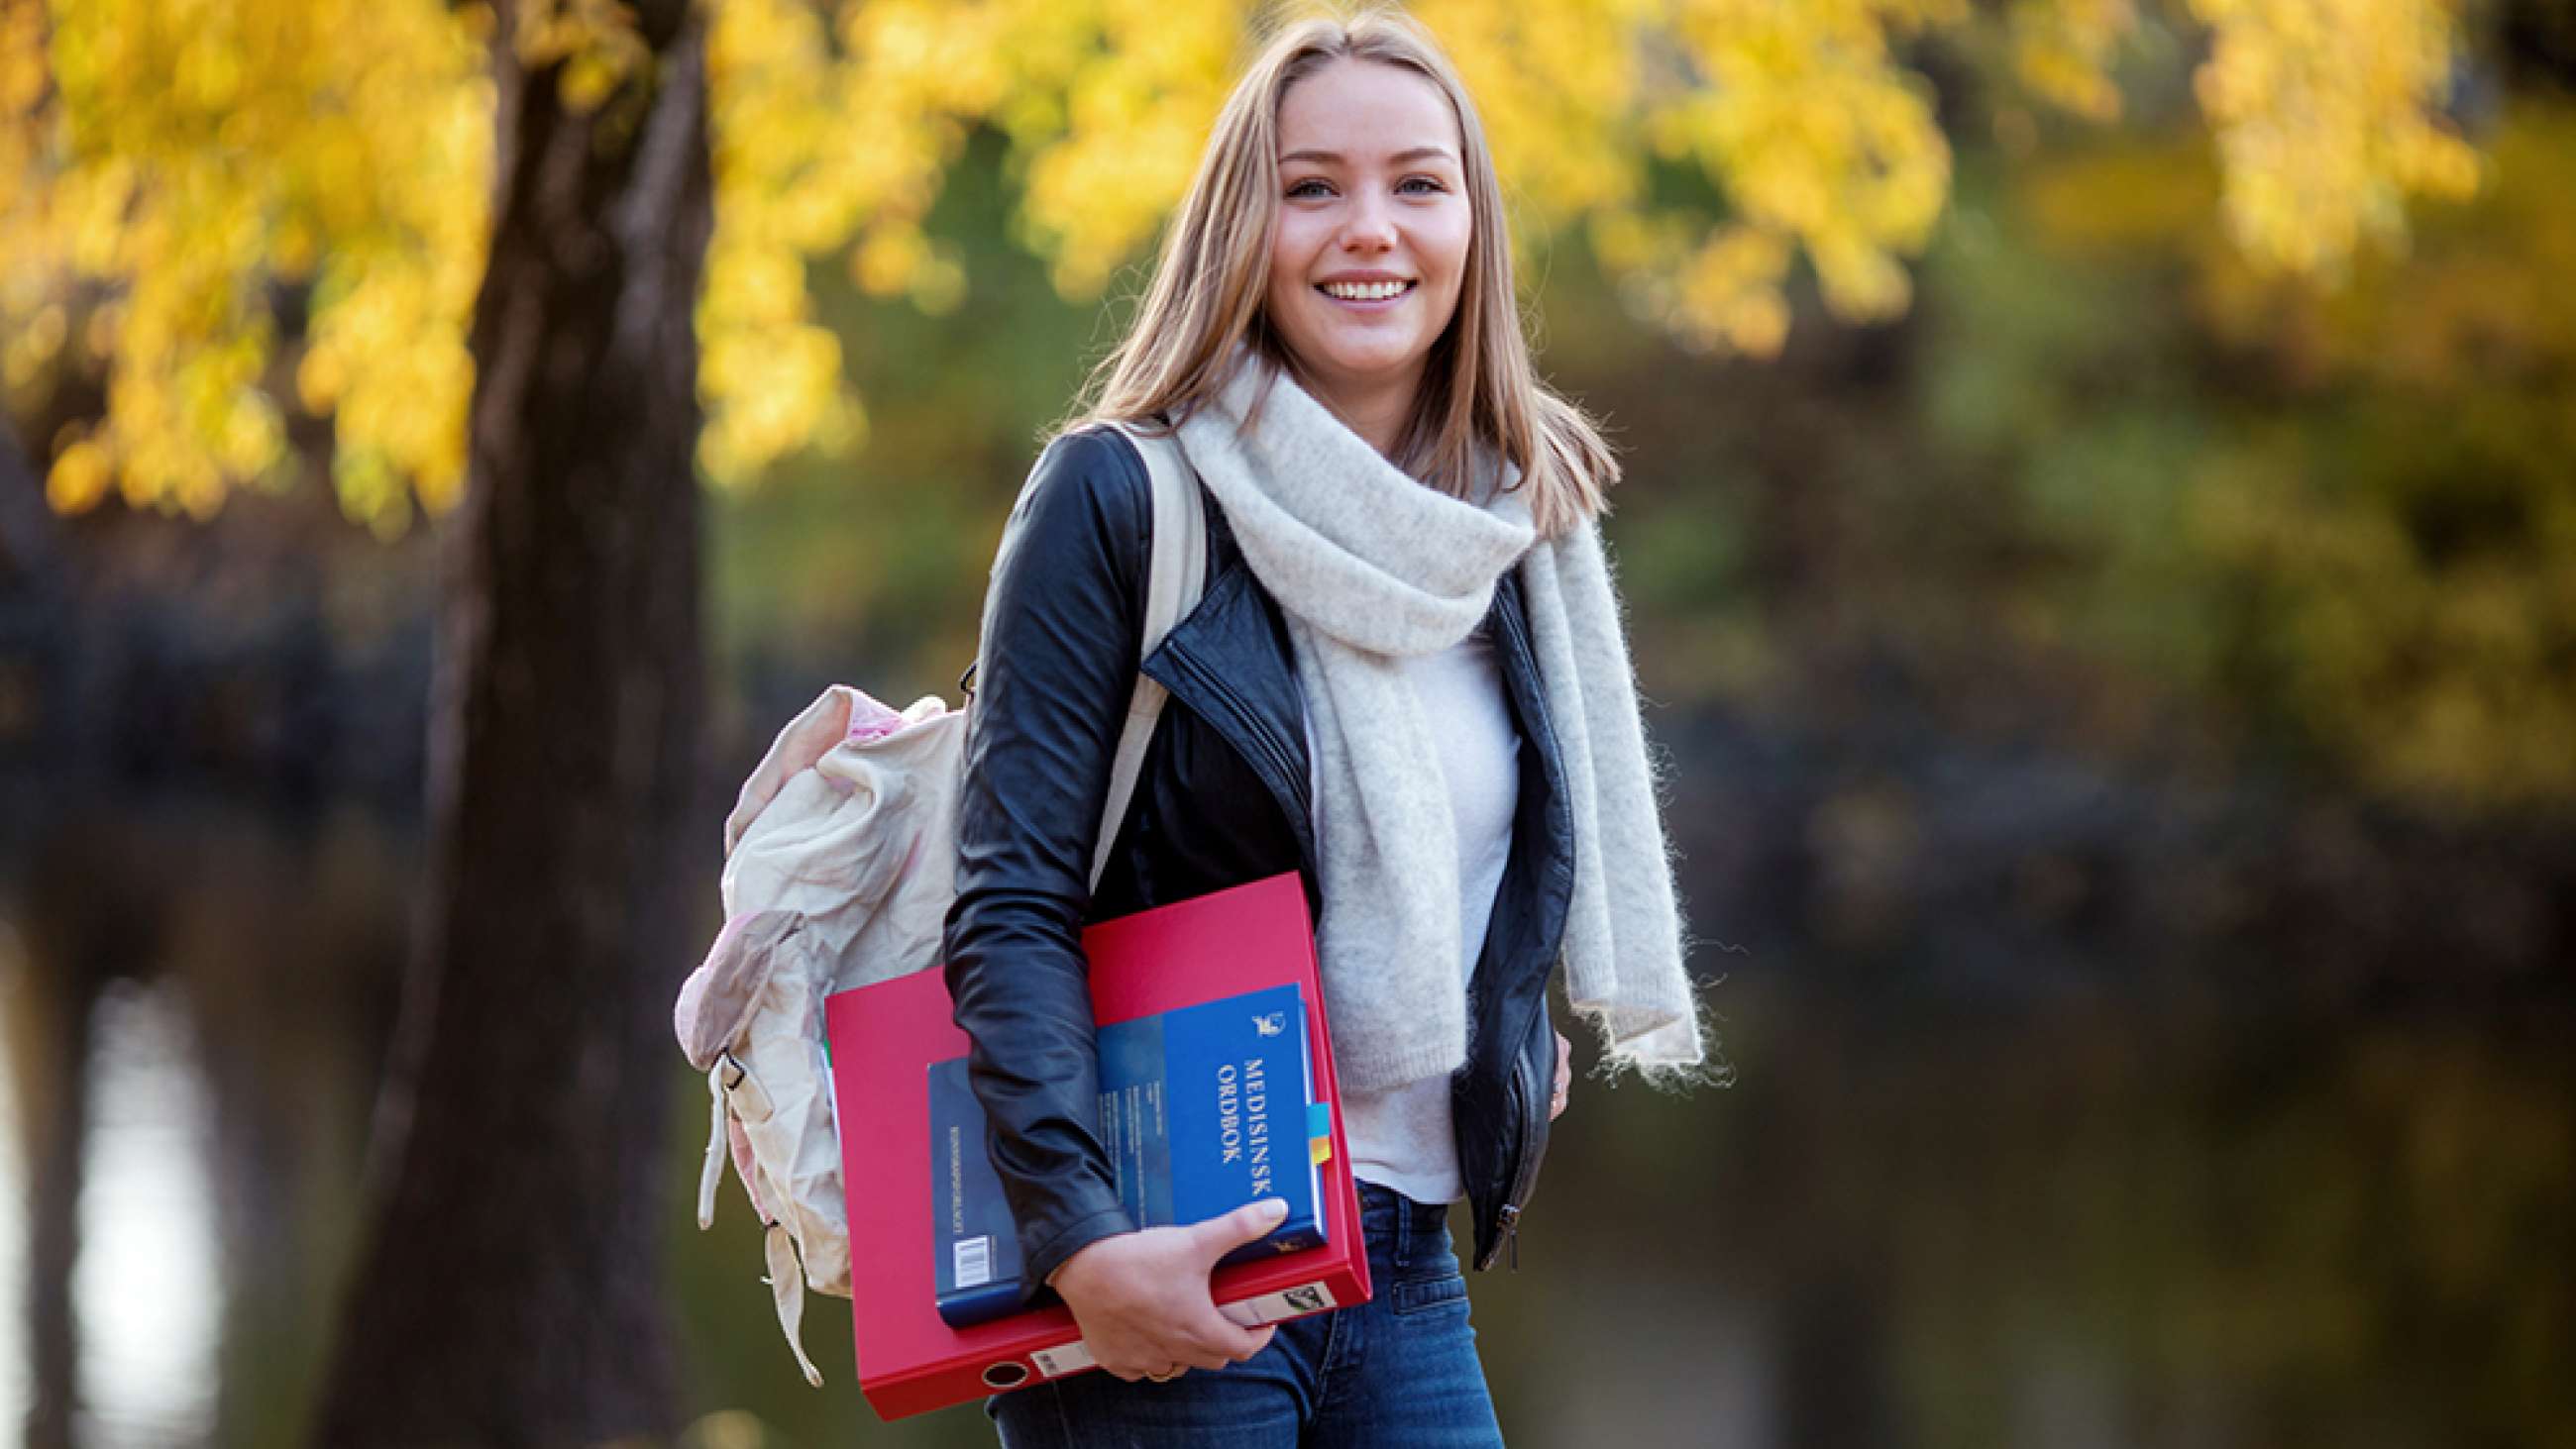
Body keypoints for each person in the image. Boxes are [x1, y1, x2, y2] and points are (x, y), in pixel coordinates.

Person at [941, 9, 1709, 1444]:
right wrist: (1083, 1247)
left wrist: (1503, 1016)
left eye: (1418, 184)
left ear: (1472, 225)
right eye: (1314, 187)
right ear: (1248, 221)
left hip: (1408, 1264)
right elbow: (1008, 904)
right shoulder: (1118, 501)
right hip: (1166, 1272)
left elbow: (1506, 867)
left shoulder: (1512, 533)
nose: (1371, 229)